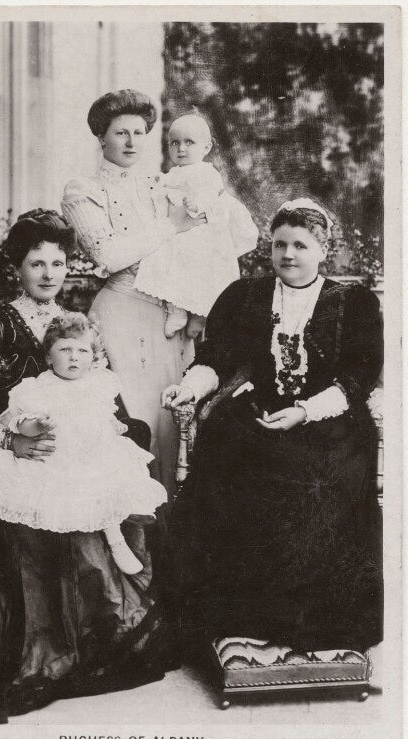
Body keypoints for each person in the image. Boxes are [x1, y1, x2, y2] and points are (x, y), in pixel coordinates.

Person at [0, 209, 173, 725]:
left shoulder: (74, 324)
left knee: (119, 488)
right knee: (5, 521)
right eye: (37, 263)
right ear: (18, 267)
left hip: (74, 453)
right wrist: (9, 440)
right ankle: (33, 653)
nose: (49, 274)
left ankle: (100, 643)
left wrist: (114, 431)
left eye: (58, 263)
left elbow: (100, 395)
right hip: (8, 445)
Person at [162, 198, 383, 655]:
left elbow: (358, 377)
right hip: (260, 414)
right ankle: (239, 619)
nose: (288, 255)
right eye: (280, 244)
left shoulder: (352, 301)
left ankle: (309, 620)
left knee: (314, 482)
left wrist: (306, 411)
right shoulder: (246, 296)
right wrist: (191, 387)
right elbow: (216, 359)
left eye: (300, 245)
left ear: (323, 250)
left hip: (328, 418)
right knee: (231, 472)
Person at [61, 89, 204, 495]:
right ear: (101, 138)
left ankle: (177, 543)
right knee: (138, 426)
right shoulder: (83, 190)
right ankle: (138, 541)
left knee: (178, 424)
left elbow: (199, 243)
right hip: (122, 316)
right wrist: (171, 226)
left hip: (172, 321)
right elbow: (108, 255)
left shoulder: (161, 186)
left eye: (139, 133)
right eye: (120, 132)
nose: (131, 142)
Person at [0, 312, 167, 576]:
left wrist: (112, 426)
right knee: (61, 486)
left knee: (111, 475)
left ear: (93, 358)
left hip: (92, 450)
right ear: (49, 358)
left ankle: (117, 538)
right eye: (65, 349)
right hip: (56, 452)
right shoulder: (37, 388)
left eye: (82, 350)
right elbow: (19, 422)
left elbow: (104, 415)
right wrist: (38, 425)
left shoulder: (99, 384)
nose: (74, 356)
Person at [134, 113, 258, 339]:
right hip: (178, 231)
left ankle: (200, 316)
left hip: (200, 232)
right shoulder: (172, 173)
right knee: (167, 264)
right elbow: (162, 192)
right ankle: (177, 310)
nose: (181, 149)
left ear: (206, 147)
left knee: (200, 273)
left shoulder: (206, 172)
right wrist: (156, 186)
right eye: (174, 143)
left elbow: (215, 197)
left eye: (189, 142)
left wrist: (198, 203)